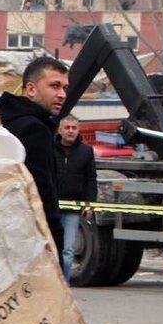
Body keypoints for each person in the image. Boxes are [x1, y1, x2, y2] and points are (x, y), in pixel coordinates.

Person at [0, 55, 69, 256]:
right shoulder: (35, 129)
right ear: (30, 89)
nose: (62, 94)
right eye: (55, 86)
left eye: (64, 88)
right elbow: (41, 191)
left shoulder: (5, 121)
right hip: (32, 238)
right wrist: (55, 241)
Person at [55, 114, 98, 279]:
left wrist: (90, 204)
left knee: (68, 250)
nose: (70, 131)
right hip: (53, 208)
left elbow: (91, 179)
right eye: (67, 128)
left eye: (74, 128)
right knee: (52, 249)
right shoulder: (51, 148)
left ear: (78, 130)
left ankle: (65, 284)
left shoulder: (86, 151)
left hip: (72, 210)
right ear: (60, 130)